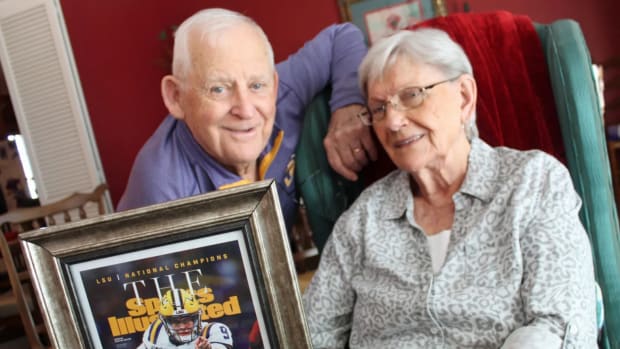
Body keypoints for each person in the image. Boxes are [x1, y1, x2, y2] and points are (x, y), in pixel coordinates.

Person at [302, 28, 597, 348]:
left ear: (464, 97)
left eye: (411, 95)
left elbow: (560, 324)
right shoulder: (363, 219)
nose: (393, 122)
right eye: (379, 109)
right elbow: (312, 332)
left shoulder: (531, 182)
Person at [116, 8, 376, 232]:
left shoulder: (283, 93)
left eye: (256, 85)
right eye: (218, 89)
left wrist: (349, 107)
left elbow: (342, 38)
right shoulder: (159, 189)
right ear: (176, 98)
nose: (245, 109)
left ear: (273, 86)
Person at [139, 288, 233, 349]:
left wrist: (209, 348)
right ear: (166, 323)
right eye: (175, 322)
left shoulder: (212, 330)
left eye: (187, 320)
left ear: (197, 318)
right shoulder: (156, 333)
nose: (183, 326)